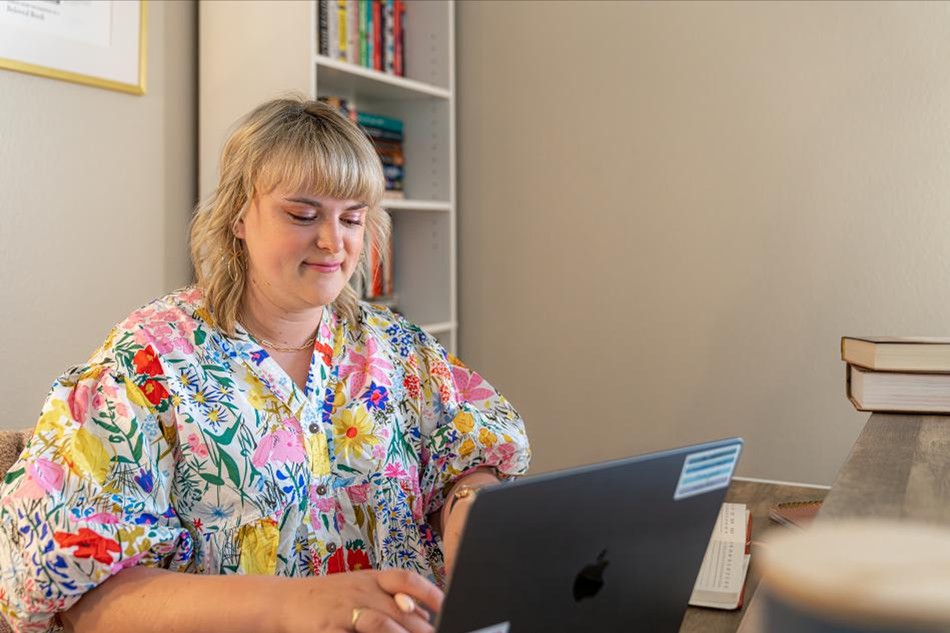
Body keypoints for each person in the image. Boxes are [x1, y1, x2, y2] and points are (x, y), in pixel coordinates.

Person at [0, 97, 531, 633]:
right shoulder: (147, 363)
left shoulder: (398, 348)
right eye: (302, 214)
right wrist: (289, 606)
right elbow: (77, 595)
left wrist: (469, 502)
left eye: (352, 218)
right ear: (237, 217)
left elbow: (468, 453)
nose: (332, 242)